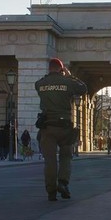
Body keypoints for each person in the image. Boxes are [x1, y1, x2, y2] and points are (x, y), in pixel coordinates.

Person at [35, 58, 88, 201]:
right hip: (64, 127)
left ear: (49, 68)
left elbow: (39, 85)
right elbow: (83, 88)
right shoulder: (67, 82)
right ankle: (63, 183)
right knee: (65, 157)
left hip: (48, 126)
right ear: (61, 69)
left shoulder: (40, 84)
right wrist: (69, 75)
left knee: (50, 160)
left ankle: (51, 191)